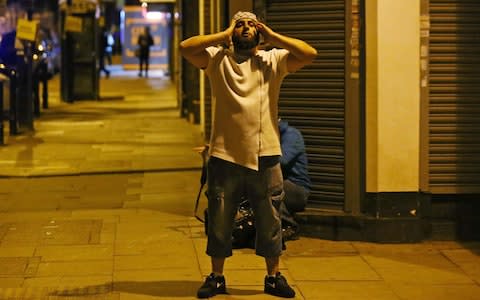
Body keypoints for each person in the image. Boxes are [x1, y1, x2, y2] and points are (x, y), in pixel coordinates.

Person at [180, 11, 317, 299]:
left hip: (265, 155)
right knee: (219, 220)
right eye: (239, 24)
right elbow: (186, 48)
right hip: (224, 156)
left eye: (250, 25)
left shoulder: (272, 60)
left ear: (259, 32)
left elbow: (308, 53)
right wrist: (224, 34)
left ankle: (273, 276)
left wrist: (273, 36)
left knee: (270, 219)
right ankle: (217, 277)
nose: (244, 28)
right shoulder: (217, 60)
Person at [278, 119, 311, 239]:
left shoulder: (291, 135)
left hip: (298, 189)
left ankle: (289, 225)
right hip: (285, 186)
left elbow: (283, 160)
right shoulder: (275, 136)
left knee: (270, 186)